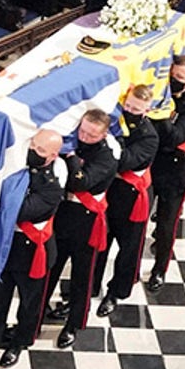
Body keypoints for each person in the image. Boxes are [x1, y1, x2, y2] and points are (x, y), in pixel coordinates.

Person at [0, 128, 65, 369]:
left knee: (29, 304)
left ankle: (19, 343)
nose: (34, 151)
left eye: (42, 150)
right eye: (34, 145)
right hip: (7, 249)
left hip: (33, 254)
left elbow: (19, 210)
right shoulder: (16, 171)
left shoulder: (52, 187)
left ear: (53, 156)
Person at [43, 109, 117, 349]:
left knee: (81, 276)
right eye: (82, 130)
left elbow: (80, 181)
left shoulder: (107, 156)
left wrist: (72, 155)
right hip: (63, 213)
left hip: (86, 221)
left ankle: (74, 324)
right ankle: (38, 311)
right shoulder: (72, 138)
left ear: (104, 134)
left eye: (91, 134)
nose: (84, 136)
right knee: (51, 266)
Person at [145, 53, 185, 294]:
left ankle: (159, 270)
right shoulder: (160, 92)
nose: (175, 81)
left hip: (174, 172)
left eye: (180, 78)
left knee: (166, 225)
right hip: (152, 165)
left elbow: (174, 137)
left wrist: (160, 115)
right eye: (173, 76)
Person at [102, 85, 159, 307]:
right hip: (109, 192)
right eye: (127, 106)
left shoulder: (149, 136)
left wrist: (108, 144)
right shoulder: (115, 121)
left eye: (136, 109)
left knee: (129, 248)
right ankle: (92, 286)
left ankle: (118, 291)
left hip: (132, 197)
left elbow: (124, 160)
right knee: (100, 245)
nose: (129, 111)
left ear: (146, 110)